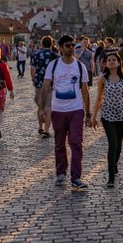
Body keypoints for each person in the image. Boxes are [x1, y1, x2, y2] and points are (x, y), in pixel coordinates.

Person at [41, 35, 93, 190]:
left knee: (76, 143)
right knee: (59, 143)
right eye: (68, 45)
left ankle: (76, 177)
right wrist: (42, 108)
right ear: (61, 47)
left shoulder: (80, 66)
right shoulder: (53, 65)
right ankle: (61, 173)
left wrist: (88, 113)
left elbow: (85, 90)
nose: (71, 48)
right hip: (58, 109)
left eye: (73, 45)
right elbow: (45, 86)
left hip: (76, 109)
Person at [92, 50, 123, 188]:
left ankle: (114, 163)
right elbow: (98, 98)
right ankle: (110, 177)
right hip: (107, 116)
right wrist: (93, 116)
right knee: (112, 143)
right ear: (105, 63)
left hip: (122, 115)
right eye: (108, 60)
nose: (111, 61)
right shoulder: (103, 79)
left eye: (113, 59)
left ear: (118, 62)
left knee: (119, 145)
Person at [30, 36, 59, 137]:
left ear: (42, 44)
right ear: (51, 44)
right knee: (48, 107)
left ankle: (40, 127)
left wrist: (34, 79)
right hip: (51, 83)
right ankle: (46, 130)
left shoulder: (36, 54)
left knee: (40, 105)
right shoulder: (55, 55)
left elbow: (33, 68)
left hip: (39, 84)